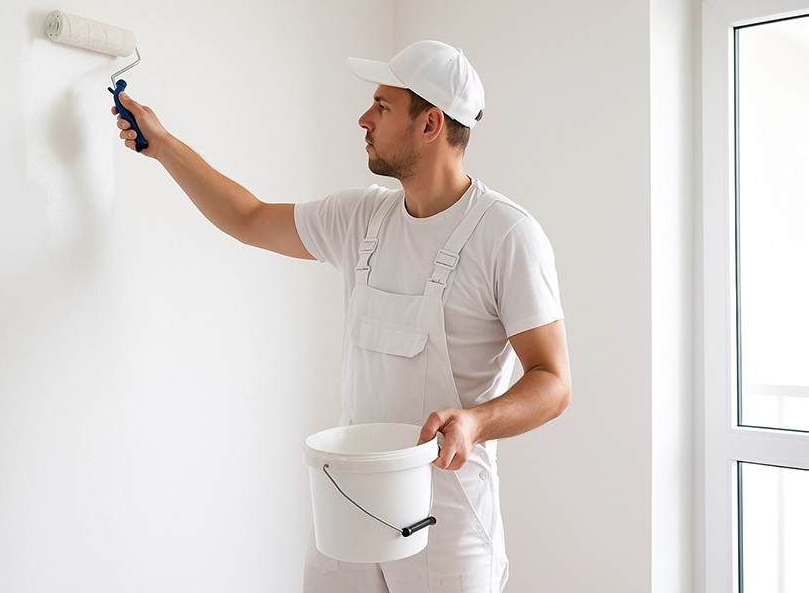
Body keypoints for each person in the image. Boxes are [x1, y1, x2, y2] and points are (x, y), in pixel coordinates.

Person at [113, 40, 571, 593]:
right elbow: (250, 217)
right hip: (347, 501)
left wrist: (476, 422)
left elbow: (553, 382)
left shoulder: (507, 236)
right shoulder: (362, 217)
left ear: (430, 125)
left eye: (382, 107)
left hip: (446, 518)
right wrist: (163, 145)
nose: (363, 119)